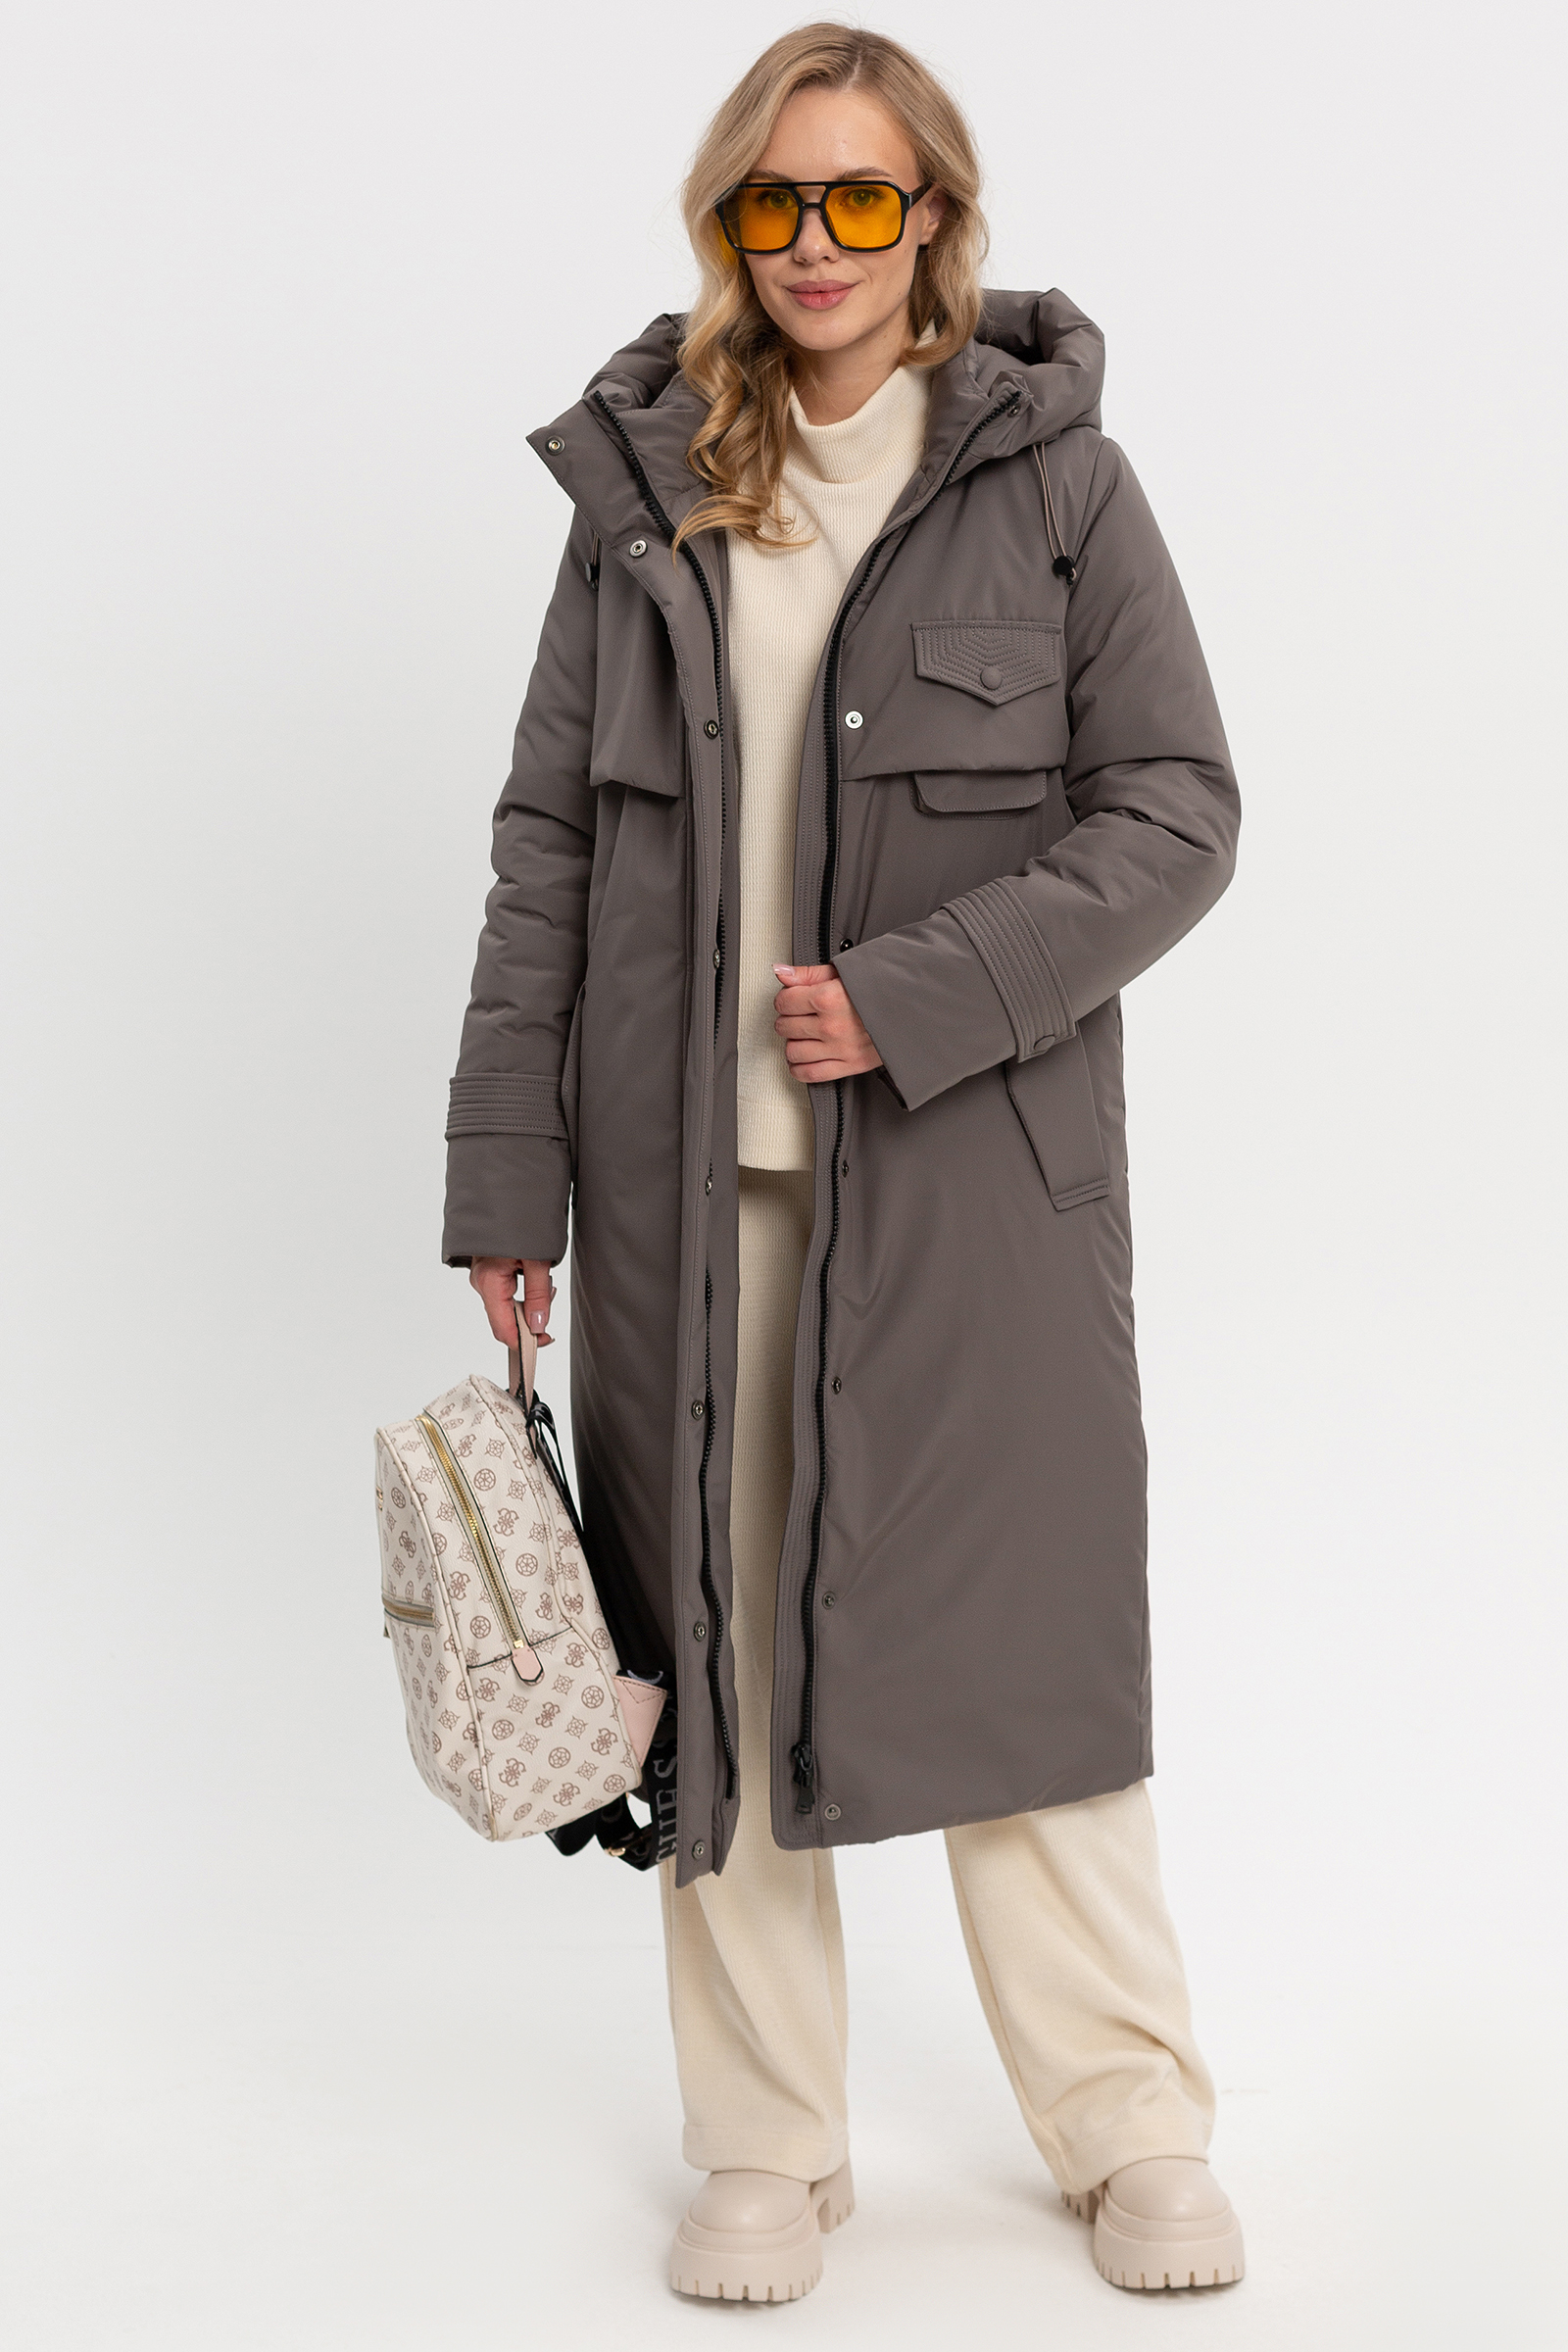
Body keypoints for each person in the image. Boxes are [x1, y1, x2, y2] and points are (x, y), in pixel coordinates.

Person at [442, 22, 1243, 2303]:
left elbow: (1177, 814)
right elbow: (545, 855)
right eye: (772, 202)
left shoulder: (1058, 490)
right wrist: (504, 1182)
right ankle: (766, 2145)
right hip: (680, 1204)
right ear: (730, 225)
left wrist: (915, 994)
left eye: (859, 198)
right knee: (707, 1672)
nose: (814, 243)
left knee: (1021, 1654)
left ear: (932, 221)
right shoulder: (644, 502)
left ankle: (1126, 2124)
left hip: (976, 1195)